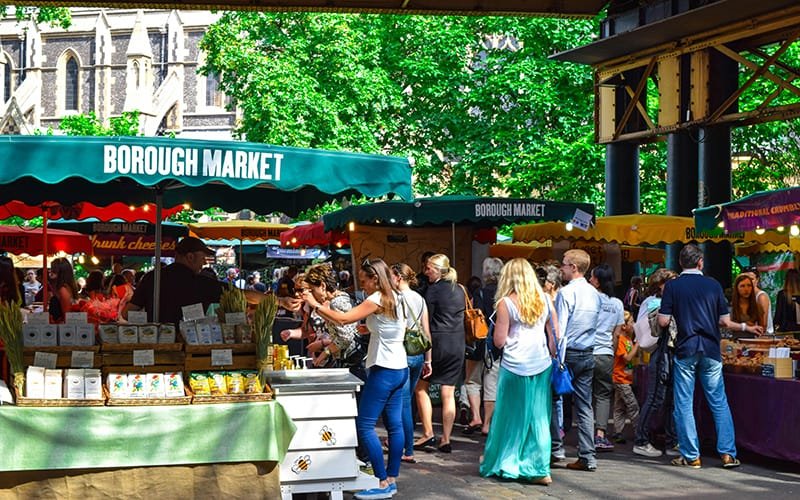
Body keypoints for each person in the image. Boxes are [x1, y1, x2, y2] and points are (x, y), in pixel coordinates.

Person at [303, 258, 408, 500]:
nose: (363, 286)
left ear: (375, 278)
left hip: (383, 368)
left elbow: (343, 319)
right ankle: (391, 478)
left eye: (364, 280)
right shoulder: (396, 296)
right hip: (399, 366)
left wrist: (314, 305)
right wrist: (369, 328)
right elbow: (390, 326)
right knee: (394, 425)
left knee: (364, 425)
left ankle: (382, 482)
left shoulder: (376, 298)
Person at [658, 244, 762, 469]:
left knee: (684, 403)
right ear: (700, 262)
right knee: (718, 401)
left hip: (686, 348)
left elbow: (663, 321)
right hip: (711, 349)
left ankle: (691, 455)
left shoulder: (673, 287)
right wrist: (745, 325)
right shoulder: (713, 285)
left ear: (680, 263)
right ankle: (727, 454)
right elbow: (724, 321)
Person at [479, 258, 557, 485]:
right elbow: (554, 334)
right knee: (539, 417)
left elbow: (500, 341)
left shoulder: (505, 302)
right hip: (541, 363)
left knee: (510, 417)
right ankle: (540, 468)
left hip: (515, 365)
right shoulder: (544, 298)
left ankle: (508, 463)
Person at [553, 249, 600, 471]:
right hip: (588, 352)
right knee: (584, 405)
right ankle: (587, 455)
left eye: (563, 264)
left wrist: (557, 360)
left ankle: (555, 448)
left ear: (573, 267)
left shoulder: (566, 293)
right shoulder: (593, 293)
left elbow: (560, 330)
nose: (561, 268)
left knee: (554, 399)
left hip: (569, 353)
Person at [414, 254, 465, 454]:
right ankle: (446, 438)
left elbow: (426, 322)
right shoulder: (460, 288)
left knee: (420, 388)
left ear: (437, 269)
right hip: (457, 344)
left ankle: (427, 433)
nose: (426, 272)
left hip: (437, 343)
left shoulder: (433, 291)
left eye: (428, 269)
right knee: (448, 393)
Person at [633, 268, 679, 458]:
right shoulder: (655, 302)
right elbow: (661, 324)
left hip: (665, 352)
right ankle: (641, 440)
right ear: (661, 285)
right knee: (656, 398)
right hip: (661, 352)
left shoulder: (651, 301)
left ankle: (670, 440)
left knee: (668, 398)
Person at [124, 237, 224, 324]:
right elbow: (235, 294)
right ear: (190, 257)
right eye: (203, 258)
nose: (205, 262)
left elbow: (127, 313)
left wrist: (150, 323)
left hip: (157, 340)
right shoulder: (203, 283)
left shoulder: (152, 277)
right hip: (191, 341)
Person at [391, 262, 433, 464]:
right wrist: (429, 359)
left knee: (403, 402)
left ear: (398, 277)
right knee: (406, 400)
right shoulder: (420, 299)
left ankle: (407, 449)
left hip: (401, 353)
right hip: (417, 355)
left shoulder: (397, 299)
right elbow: (426, 331)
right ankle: (405, 446)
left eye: (391, 275)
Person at [588, 263, 624, 451]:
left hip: (586, 351)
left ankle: (584, 434)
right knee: (602, 395)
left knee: (584, 393)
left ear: (598, 281)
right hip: (605, 354)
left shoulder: (590, 299)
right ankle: (600, 435)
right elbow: (616, 334)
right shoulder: (617, 304)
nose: (589, 280)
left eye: (592, 277)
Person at [476, 257, 504, 436]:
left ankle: (486, 422)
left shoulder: (481, 293)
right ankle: (499, 421)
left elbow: (478, 317)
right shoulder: (506, 293)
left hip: (488, 341)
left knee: (490, 380)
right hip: (507, 342)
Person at [611, 311, 639, 445]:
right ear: (624, 326)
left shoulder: (628, 340)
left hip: (625, 378)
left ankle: (618, 432)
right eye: (631, 322)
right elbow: (627, 357)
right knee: (632, 405)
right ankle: (639, 432)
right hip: (620, 378)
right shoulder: (621, 340)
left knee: (619, 406)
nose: (634, 325)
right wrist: (637, 345)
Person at [48, 257, 79, 324]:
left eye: (52, 269)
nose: (50, 272)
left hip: (61, 329)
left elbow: (66, 317)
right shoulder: (66, 287)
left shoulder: (63, 290)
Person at [743, 267, 772, 334]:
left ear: (757, 279)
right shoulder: (745, 296)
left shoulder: (761, 296)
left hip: (762, 338)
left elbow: (763, 325)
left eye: (751, 279)